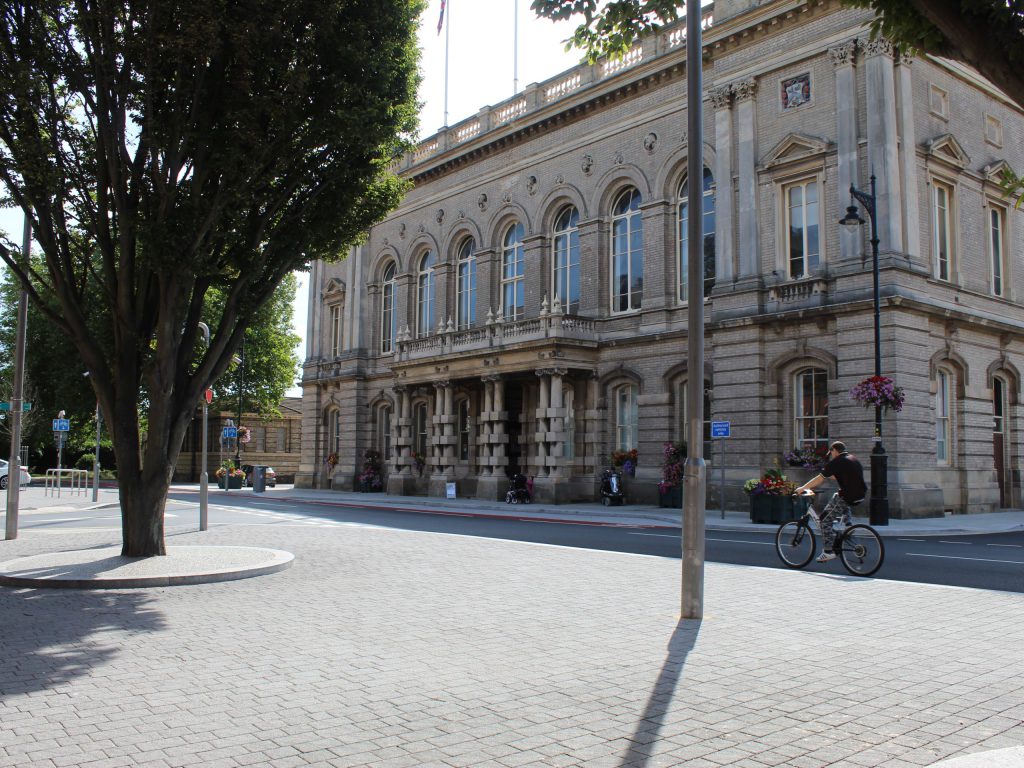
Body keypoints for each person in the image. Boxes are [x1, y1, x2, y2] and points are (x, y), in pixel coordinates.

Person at [793, 441, 867, 563]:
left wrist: (803, 488)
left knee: (824, 519)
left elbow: (819, 480)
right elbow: (842, 475)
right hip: (860, 495)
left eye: (831, 453)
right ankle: (848, 526)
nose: (831, 455)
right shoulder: (853, 459)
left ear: (835, 450)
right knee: (836, 495)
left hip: (848, 496)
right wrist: (829, 473)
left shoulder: (836, 462)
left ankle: (828, 552)